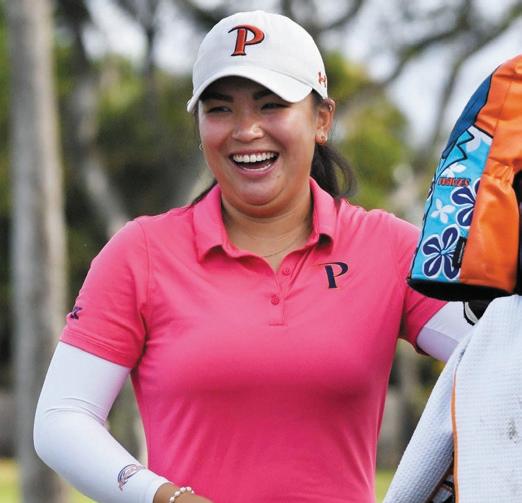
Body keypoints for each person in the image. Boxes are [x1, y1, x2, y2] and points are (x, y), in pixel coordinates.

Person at [34, 10, 472, 503]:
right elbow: (62, 418)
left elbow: (500, 353)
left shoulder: (389, 248)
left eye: (271, 105)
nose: (245, 131)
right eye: (220, 109)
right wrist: (166, 498)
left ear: (322, 119)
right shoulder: (142, 253)